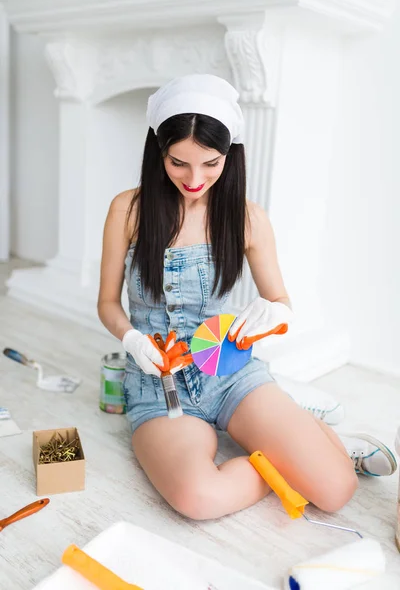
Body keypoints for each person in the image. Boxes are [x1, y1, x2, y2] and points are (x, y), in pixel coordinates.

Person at [98, 74, 396, 521]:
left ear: (229, 156)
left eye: (210, 164)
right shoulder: (129, 209)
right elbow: (107, 303)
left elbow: (280, 300)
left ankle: (307, 436)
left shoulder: (247, 219)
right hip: (156, 385)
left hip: (229, 369)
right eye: (178, 163)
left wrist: (273, 312)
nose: (194, 179)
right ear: (158, 152)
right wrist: (132, 341)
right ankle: (296, 440)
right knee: (199, 500)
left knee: (336, 491)